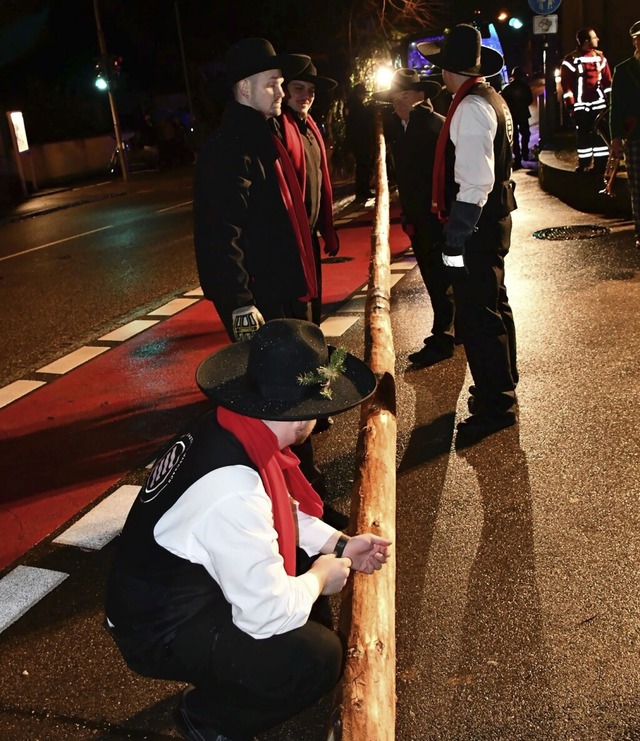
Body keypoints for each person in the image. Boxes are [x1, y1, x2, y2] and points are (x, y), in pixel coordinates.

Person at [104, 318, 392, 741]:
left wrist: (341, 543)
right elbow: (266, 614)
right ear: (300, 420)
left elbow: (280, 513)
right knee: (316, 656)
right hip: (156, 628)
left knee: (295, 585)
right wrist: (319, 578)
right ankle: (209, 719)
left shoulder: (229, 426)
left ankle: (227, 674)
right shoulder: (234, 488)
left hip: (159, 593)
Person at [193, 39, 345, 527]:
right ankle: (296, 505)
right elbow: (220, 235)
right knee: (279, 401)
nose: (281, 91)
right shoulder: (231, 147)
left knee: (294, 395)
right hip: (261, 298)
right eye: (273, 83)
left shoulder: (264, 134)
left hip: (283, 286)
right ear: (244, 88)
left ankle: (301, 496)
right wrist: (239, 302)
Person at [418, 24, 519, 445]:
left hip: (475, 223)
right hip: (491, 219)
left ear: (446, 69)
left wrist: (456, 234)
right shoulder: (487, 98)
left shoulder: (471, 106)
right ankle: (503, 385)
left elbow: (476, 180)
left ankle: (497, 404)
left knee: (478, 315)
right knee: (494, 304)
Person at [373, 69, 456, 367]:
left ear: (421, 96)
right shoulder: (409, 126)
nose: (397, 103)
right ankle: (451, 330)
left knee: (438, 277)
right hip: (424, 217)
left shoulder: (431, 127)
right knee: (439, 276)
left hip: (433, 218)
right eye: (395, 98)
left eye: (404, 96)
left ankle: (444, 336)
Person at [279, 58, 340, 326]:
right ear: (285, 90)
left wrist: (327, 228)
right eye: (299, 88)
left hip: (309, 236)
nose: (306, 96)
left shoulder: (311, 128)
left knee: (314, 309)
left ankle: (314, 362)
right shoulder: (279, 127)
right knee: (298, 312)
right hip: (289, 242)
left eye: (311, 91)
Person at [560, 27, 612, 174]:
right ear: (586, 41)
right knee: (583, 136)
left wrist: (610, 102)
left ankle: (601, 165)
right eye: (594, 37)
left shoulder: (601, 58)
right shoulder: (570, 60)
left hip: (599, 106)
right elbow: (566, 85)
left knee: (600, 137)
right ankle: (584, 164)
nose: (598, 39)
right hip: (581, 107)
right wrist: (571, 106)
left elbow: (608, 82)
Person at [609, 20, 640, 250]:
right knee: (637, 187)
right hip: (635, 136)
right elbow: (616, 106)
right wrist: (616, 137)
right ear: (635, 42)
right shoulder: (623, 69)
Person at [344, 82, 376, 202]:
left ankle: (363, 190)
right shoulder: (356, 106)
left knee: (363, 166)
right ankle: (363, 191)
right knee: (363, 166)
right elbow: (362, 119)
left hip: (358, 140)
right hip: (360, 141)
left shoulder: (351, 105)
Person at [500, 66, 533, 169]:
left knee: (514, 137)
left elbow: (503, 102)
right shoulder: (525, 87)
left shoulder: (508, 89)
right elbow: (530, 100)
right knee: (525, 134)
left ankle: (517, 158)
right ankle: (525, 154)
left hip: (513, 115)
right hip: (523, 115)